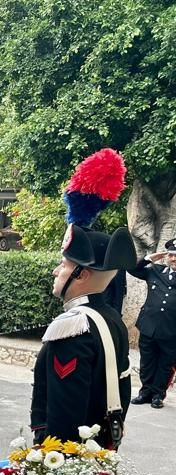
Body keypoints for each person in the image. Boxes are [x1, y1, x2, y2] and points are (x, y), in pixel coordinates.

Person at [31, 148, 137, 445]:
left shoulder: (73, 327)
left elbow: (64, 416)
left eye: (63, 265)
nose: (56, 271)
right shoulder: (110, 317)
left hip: (68, 465)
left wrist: (51, 464)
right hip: (101, 450)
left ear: (83, 275)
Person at [128, 240, 176, 409]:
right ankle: (145, 392)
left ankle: (157, 395)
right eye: (171, 255)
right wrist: (149, 258)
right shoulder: (155, 270)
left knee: (165, 364)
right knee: (147, 361)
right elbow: (132, 269)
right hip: (149, 326)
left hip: (171, 330)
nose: (173, 258)